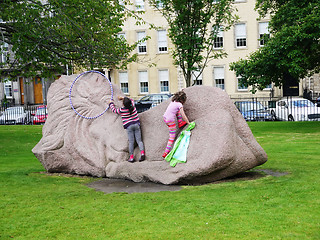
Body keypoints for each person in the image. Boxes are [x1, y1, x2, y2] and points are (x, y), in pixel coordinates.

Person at [109, 96, 145, 163]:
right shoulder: (133, 106)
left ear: (123, 104)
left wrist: (111, 103)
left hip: (129, 126)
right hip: (136, 125)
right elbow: (132, 100)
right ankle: (142, 153)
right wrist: (123, 98)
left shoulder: (122, 110)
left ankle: (131, 157)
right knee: (139, 141)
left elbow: (114, 110)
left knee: (131, 142)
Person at [162, 90, 190, 158]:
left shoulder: (173, 102)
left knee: (177, 111)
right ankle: (166, 152)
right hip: (170, 120)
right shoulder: (179, 104)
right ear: (182, 100)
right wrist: (188, 122)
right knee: (172, 137)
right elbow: (183, 115)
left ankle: (180, 122)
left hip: (165, 118)